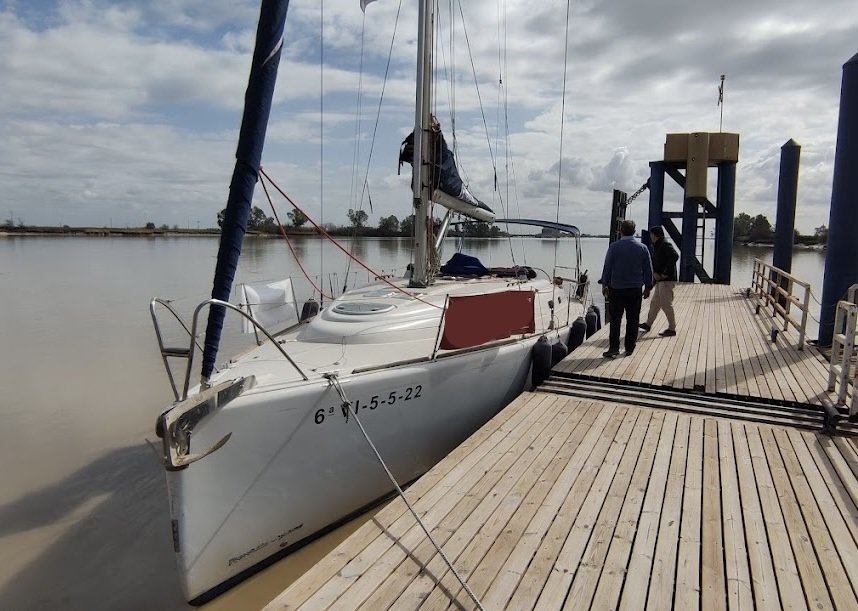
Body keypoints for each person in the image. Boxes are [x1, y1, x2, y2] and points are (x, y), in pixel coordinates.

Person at [600, 219, 653, 358]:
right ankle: (629, 347)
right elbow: (648, 269)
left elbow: (607, 266)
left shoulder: (614, 247)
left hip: (616, 289)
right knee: (633, 319)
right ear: (634, 231)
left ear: (620, 231)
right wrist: (648, 287)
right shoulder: (642, 248)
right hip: (635, 289)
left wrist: (605, 284)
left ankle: (614, 348)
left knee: (615, 320)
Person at [639, 225, 679, 336]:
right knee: (655, 303)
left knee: (666, 304)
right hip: (661, 281)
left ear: (655, 235)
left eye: (651, 234)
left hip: (666, 280)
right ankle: (648, 324)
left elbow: (675, 256)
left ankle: (672, 328)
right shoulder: (659, 245)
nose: (650, 236)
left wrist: (665, 273)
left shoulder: (664, 244)